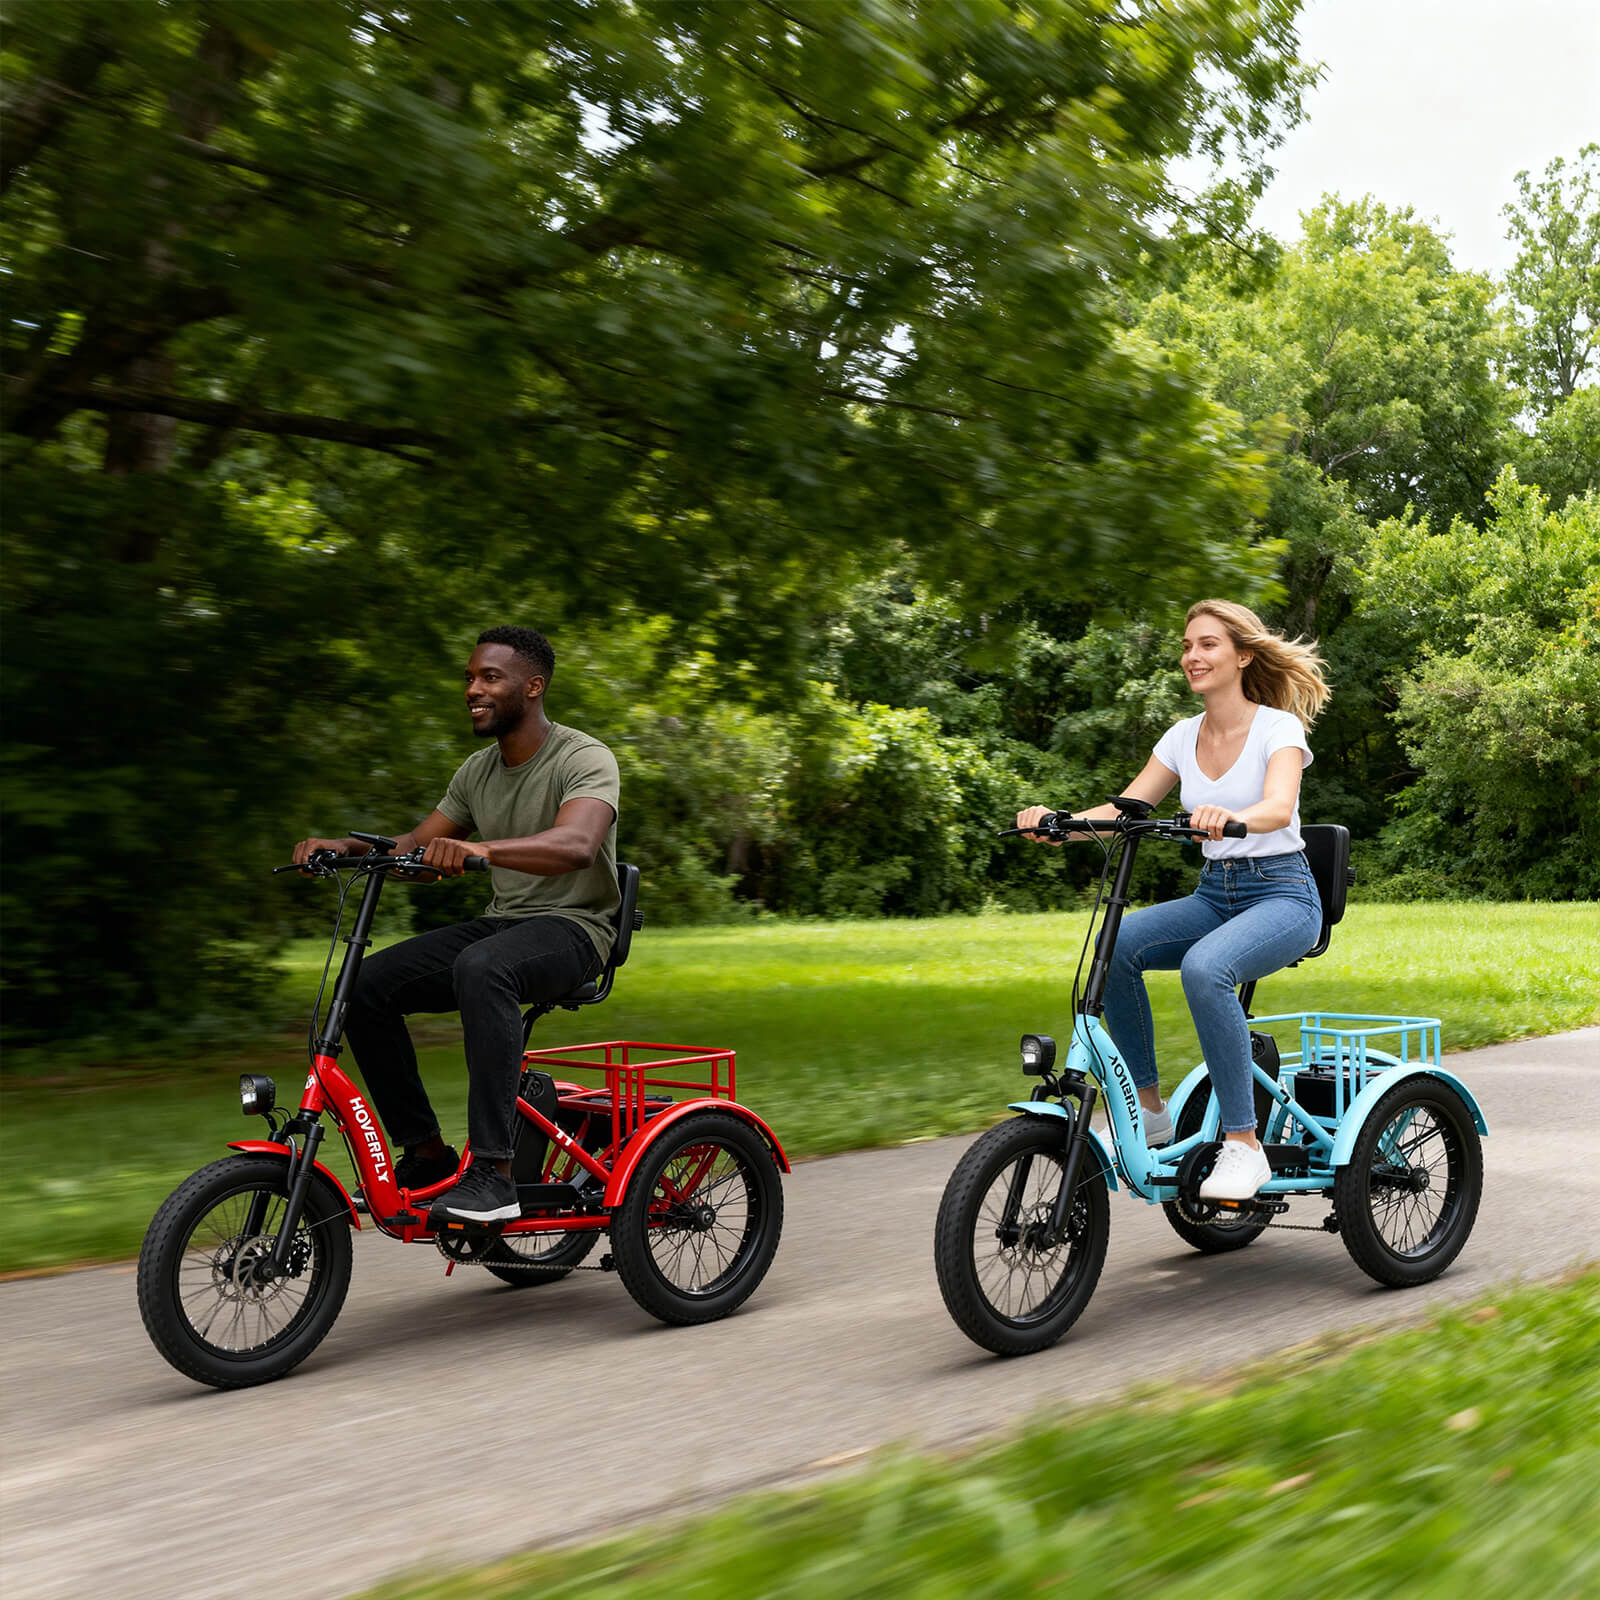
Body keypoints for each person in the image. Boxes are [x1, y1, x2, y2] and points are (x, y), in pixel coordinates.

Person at [293, 625, 621, 1226]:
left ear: (533, 685)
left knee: (483, 967)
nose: (473, 688)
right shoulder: (477, 771)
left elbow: (577, 845)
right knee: (366, 986)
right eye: (470, 678)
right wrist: (346, 848)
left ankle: (493, 1176)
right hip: (505, 926)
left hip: (575, 930)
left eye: (489, 677)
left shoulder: (582, 757)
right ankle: (425, 1155)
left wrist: (482, 852)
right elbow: (419, 848)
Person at [1016, 600, 1330, 1202]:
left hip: (1285, 895)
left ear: (1242, 655)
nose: (1193, 656)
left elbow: (1279, 807)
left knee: (1206, 968)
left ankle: (1244, 1144)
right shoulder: (1182, 736)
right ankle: (1152, 1110)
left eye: (1208, 644)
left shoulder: (1276, 728)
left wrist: (1231, 817)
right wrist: (1058, 821)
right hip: (1216, 895)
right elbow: (1125, 810)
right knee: (1123, 946)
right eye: (1188, 646)